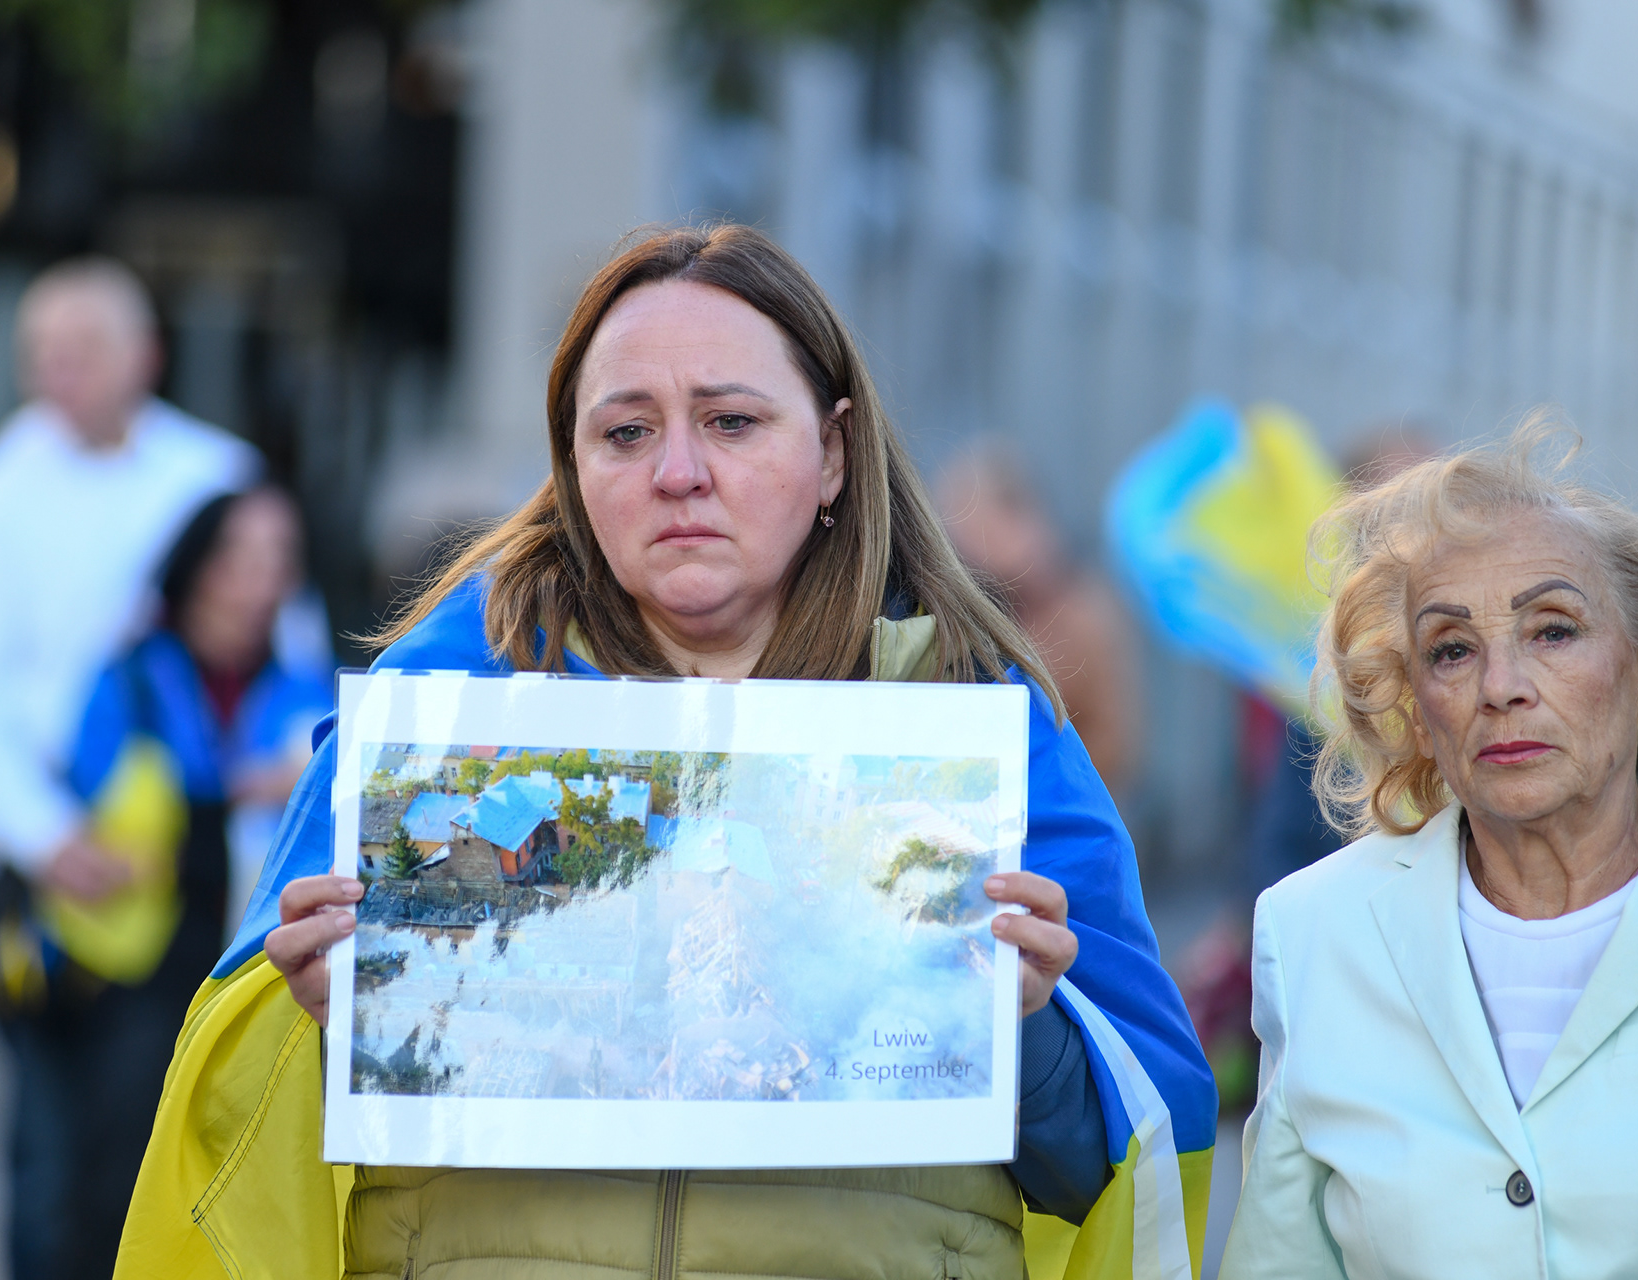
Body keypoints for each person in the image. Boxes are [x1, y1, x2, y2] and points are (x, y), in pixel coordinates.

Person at [117, 224, 1216, 1280]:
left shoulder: (974, 727)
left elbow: (1127, 1157)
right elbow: (245, 1126)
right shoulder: (435, 714)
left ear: (833, 452)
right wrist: (322, 1016)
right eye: (627, 432)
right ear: (573, 461)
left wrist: (1025, 1030)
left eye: (731, 421)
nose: (678, 471)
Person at [1220, 430, 1638, 1277]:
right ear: (1416, 709)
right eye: (1451, 649)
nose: (1500, 685)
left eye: (1552, 631)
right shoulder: (1315, 932)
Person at [0, 257, 258, 1279]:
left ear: (145, 355)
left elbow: (272, 662)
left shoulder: (214, 477)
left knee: (169, 1127)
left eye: (81, 350)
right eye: (40, 353)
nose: (55, 372)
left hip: (188, 873)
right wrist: (49, 838)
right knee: (54, 1141)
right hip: (37, 877)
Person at [936, 442, 1141, 795]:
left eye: (974, 524)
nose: (960, 544)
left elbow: (1115, 746)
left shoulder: (1081, 615)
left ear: (1019, 518)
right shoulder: (961, 611)